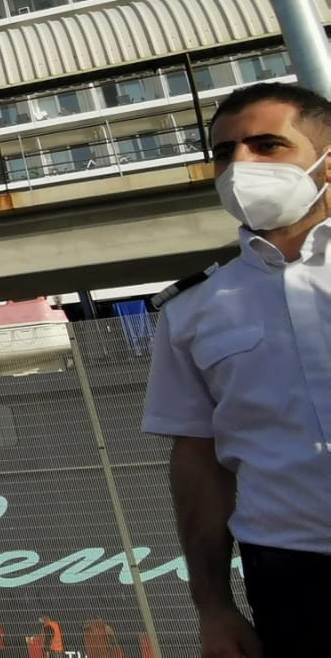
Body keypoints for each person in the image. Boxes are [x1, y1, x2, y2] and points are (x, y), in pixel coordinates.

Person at [144, 81, 331, 658]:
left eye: (267, 146)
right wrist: (214, 607)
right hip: (294, 578)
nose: (239, 166)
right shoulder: (192, 310)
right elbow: (197, 462)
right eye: (224, 153)